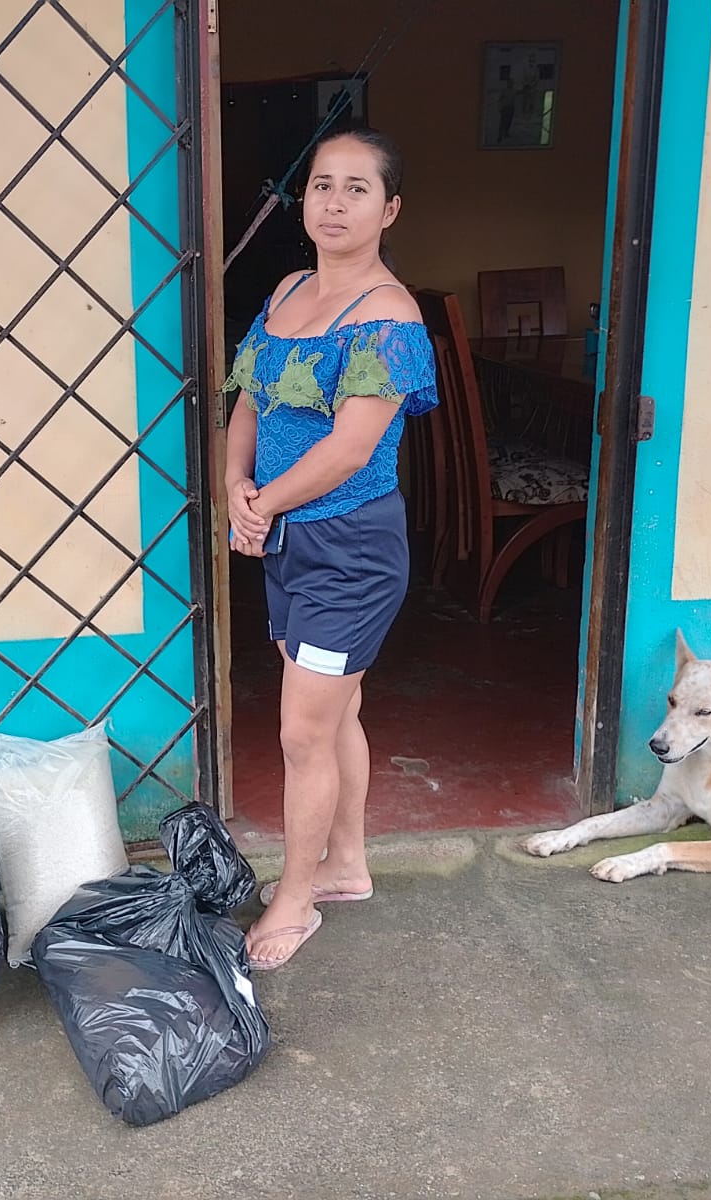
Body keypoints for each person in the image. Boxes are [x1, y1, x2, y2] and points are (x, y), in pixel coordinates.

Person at [222, 126, 438, 971]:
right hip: (286, 538)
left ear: (390, 209)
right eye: (322, 185)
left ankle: (296, 898)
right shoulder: (286, 290)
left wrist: (261, 505)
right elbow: (249, 401)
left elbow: (350, 450)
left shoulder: (388, 318)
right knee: (337, 710)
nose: (335, 203)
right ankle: (346, 864)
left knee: (302, 734)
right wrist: (236, 488)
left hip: (350, 549)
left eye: (357, 189)